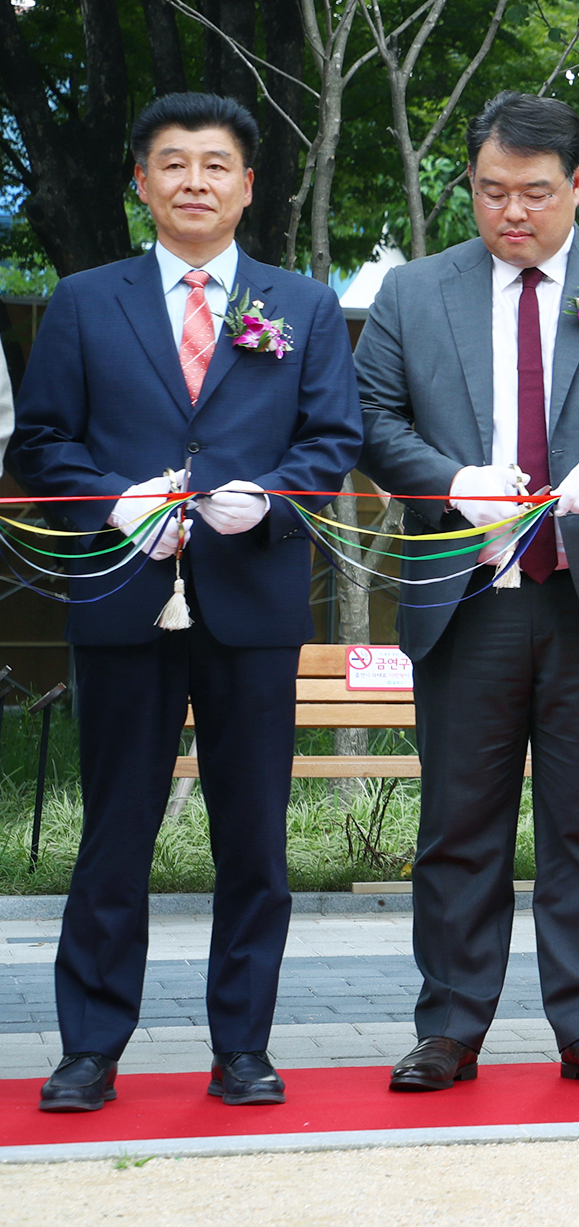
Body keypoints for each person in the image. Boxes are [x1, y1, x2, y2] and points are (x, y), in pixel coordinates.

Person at [13, 93, 361, 1112]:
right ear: (141, 182)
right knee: (115, 827)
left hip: (250, 599)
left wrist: (277, 501)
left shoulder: (302, 305)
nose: (195, 181)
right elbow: (39, 444)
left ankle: (241, 1047)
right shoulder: (85, 301)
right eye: (173, 163)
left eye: (216, 164)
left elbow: (331, 442)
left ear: (249, 186)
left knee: (253, 834)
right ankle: (89, 1048)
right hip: (124, 592)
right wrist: (111, 504)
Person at [354, 92, 579, 1092]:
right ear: (469, 183)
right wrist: (445, 480)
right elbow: (374, 416)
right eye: (491, 191)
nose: (512, 212)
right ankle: (451, 1026)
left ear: (577, 185)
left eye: (536, 193)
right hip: (467, 593)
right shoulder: (415, 293)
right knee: (459, 822)